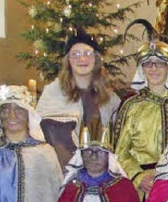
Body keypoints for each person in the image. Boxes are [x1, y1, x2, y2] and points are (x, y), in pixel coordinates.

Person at [113, 37, 168, 200]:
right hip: (141, 188)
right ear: (142, 69)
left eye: (160, 63)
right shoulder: (131, 106)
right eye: (148, 63)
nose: (154, 68)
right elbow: (120, 151)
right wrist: (139, 177)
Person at [37, 29, 120, 170]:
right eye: (75, 54)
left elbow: (117, 137)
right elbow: (48, 137)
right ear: (68, 61)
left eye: (87, 54)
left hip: (101, 170)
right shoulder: (53, 93)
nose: (82, 59)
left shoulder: (110, 98)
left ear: (96, 59)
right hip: (65, 169)